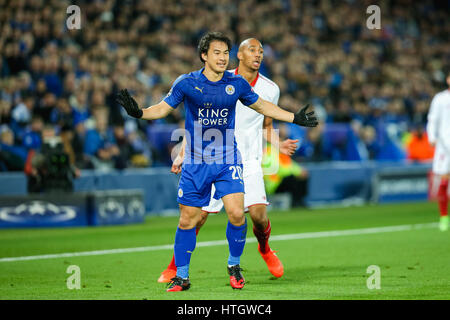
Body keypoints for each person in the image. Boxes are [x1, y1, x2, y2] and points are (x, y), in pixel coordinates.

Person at [116, 31, 318, 292]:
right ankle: (182, 276)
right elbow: (164, 108)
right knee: (189, 220)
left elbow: (262, 107)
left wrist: (293, 117)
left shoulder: (237, 84)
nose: (223, 58)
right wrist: (139, 112)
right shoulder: (186, 83)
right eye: (217, 53)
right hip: (197, 163)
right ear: (204, 56)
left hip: (228, 159)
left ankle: (234, 266)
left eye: (225, 53)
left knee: (237, 213)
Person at [157, 38, 299, 284]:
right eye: (252, 50)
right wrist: (183, 153)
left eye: (261, 51)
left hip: (249, 158)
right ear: (240, 56)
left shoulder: (270, 88)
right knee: (197, 216)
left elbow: (266, 124)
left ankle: (264, 249)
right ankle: (174, 267)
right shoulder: (219, 76)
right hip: (211, 156)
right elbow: (199, 121)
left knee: (258, 215)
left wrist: (277, 143)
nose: (258, 55)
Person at [427, 70, 450, 232]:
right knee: (444, 179)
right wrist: (431, 136)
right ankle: (444, 217)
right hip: (444, 145)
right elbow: (432, 118)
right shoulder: (440, 98)